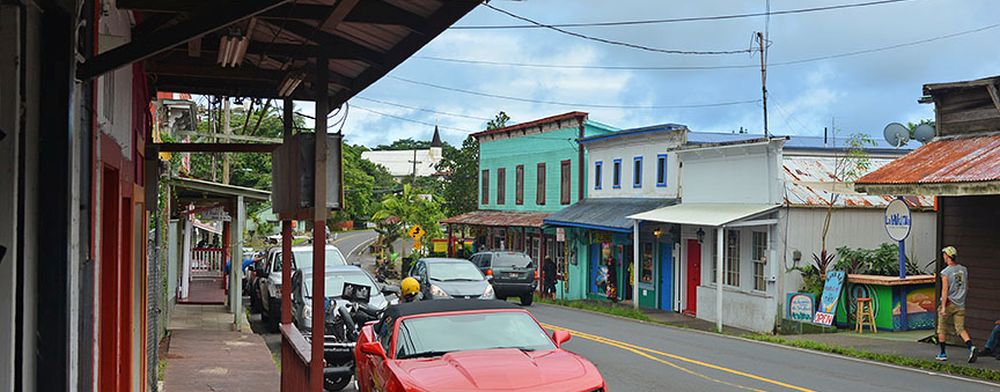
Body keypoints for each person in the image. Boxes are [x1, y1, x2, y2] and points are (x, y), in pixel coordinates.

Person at [936, 246, 978, 362]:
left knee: (941, 328)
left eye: (944, 255)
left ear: (948, 256)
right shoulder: (964, 269)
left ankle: (943, 353)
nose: (943, 257)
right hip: (961, 303)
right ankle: (971, 347)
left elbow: (944, 291)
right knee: (960, 328)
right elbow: (967, 286)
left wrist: (943, 307)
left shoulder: (945, 272)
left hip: (949, 302)